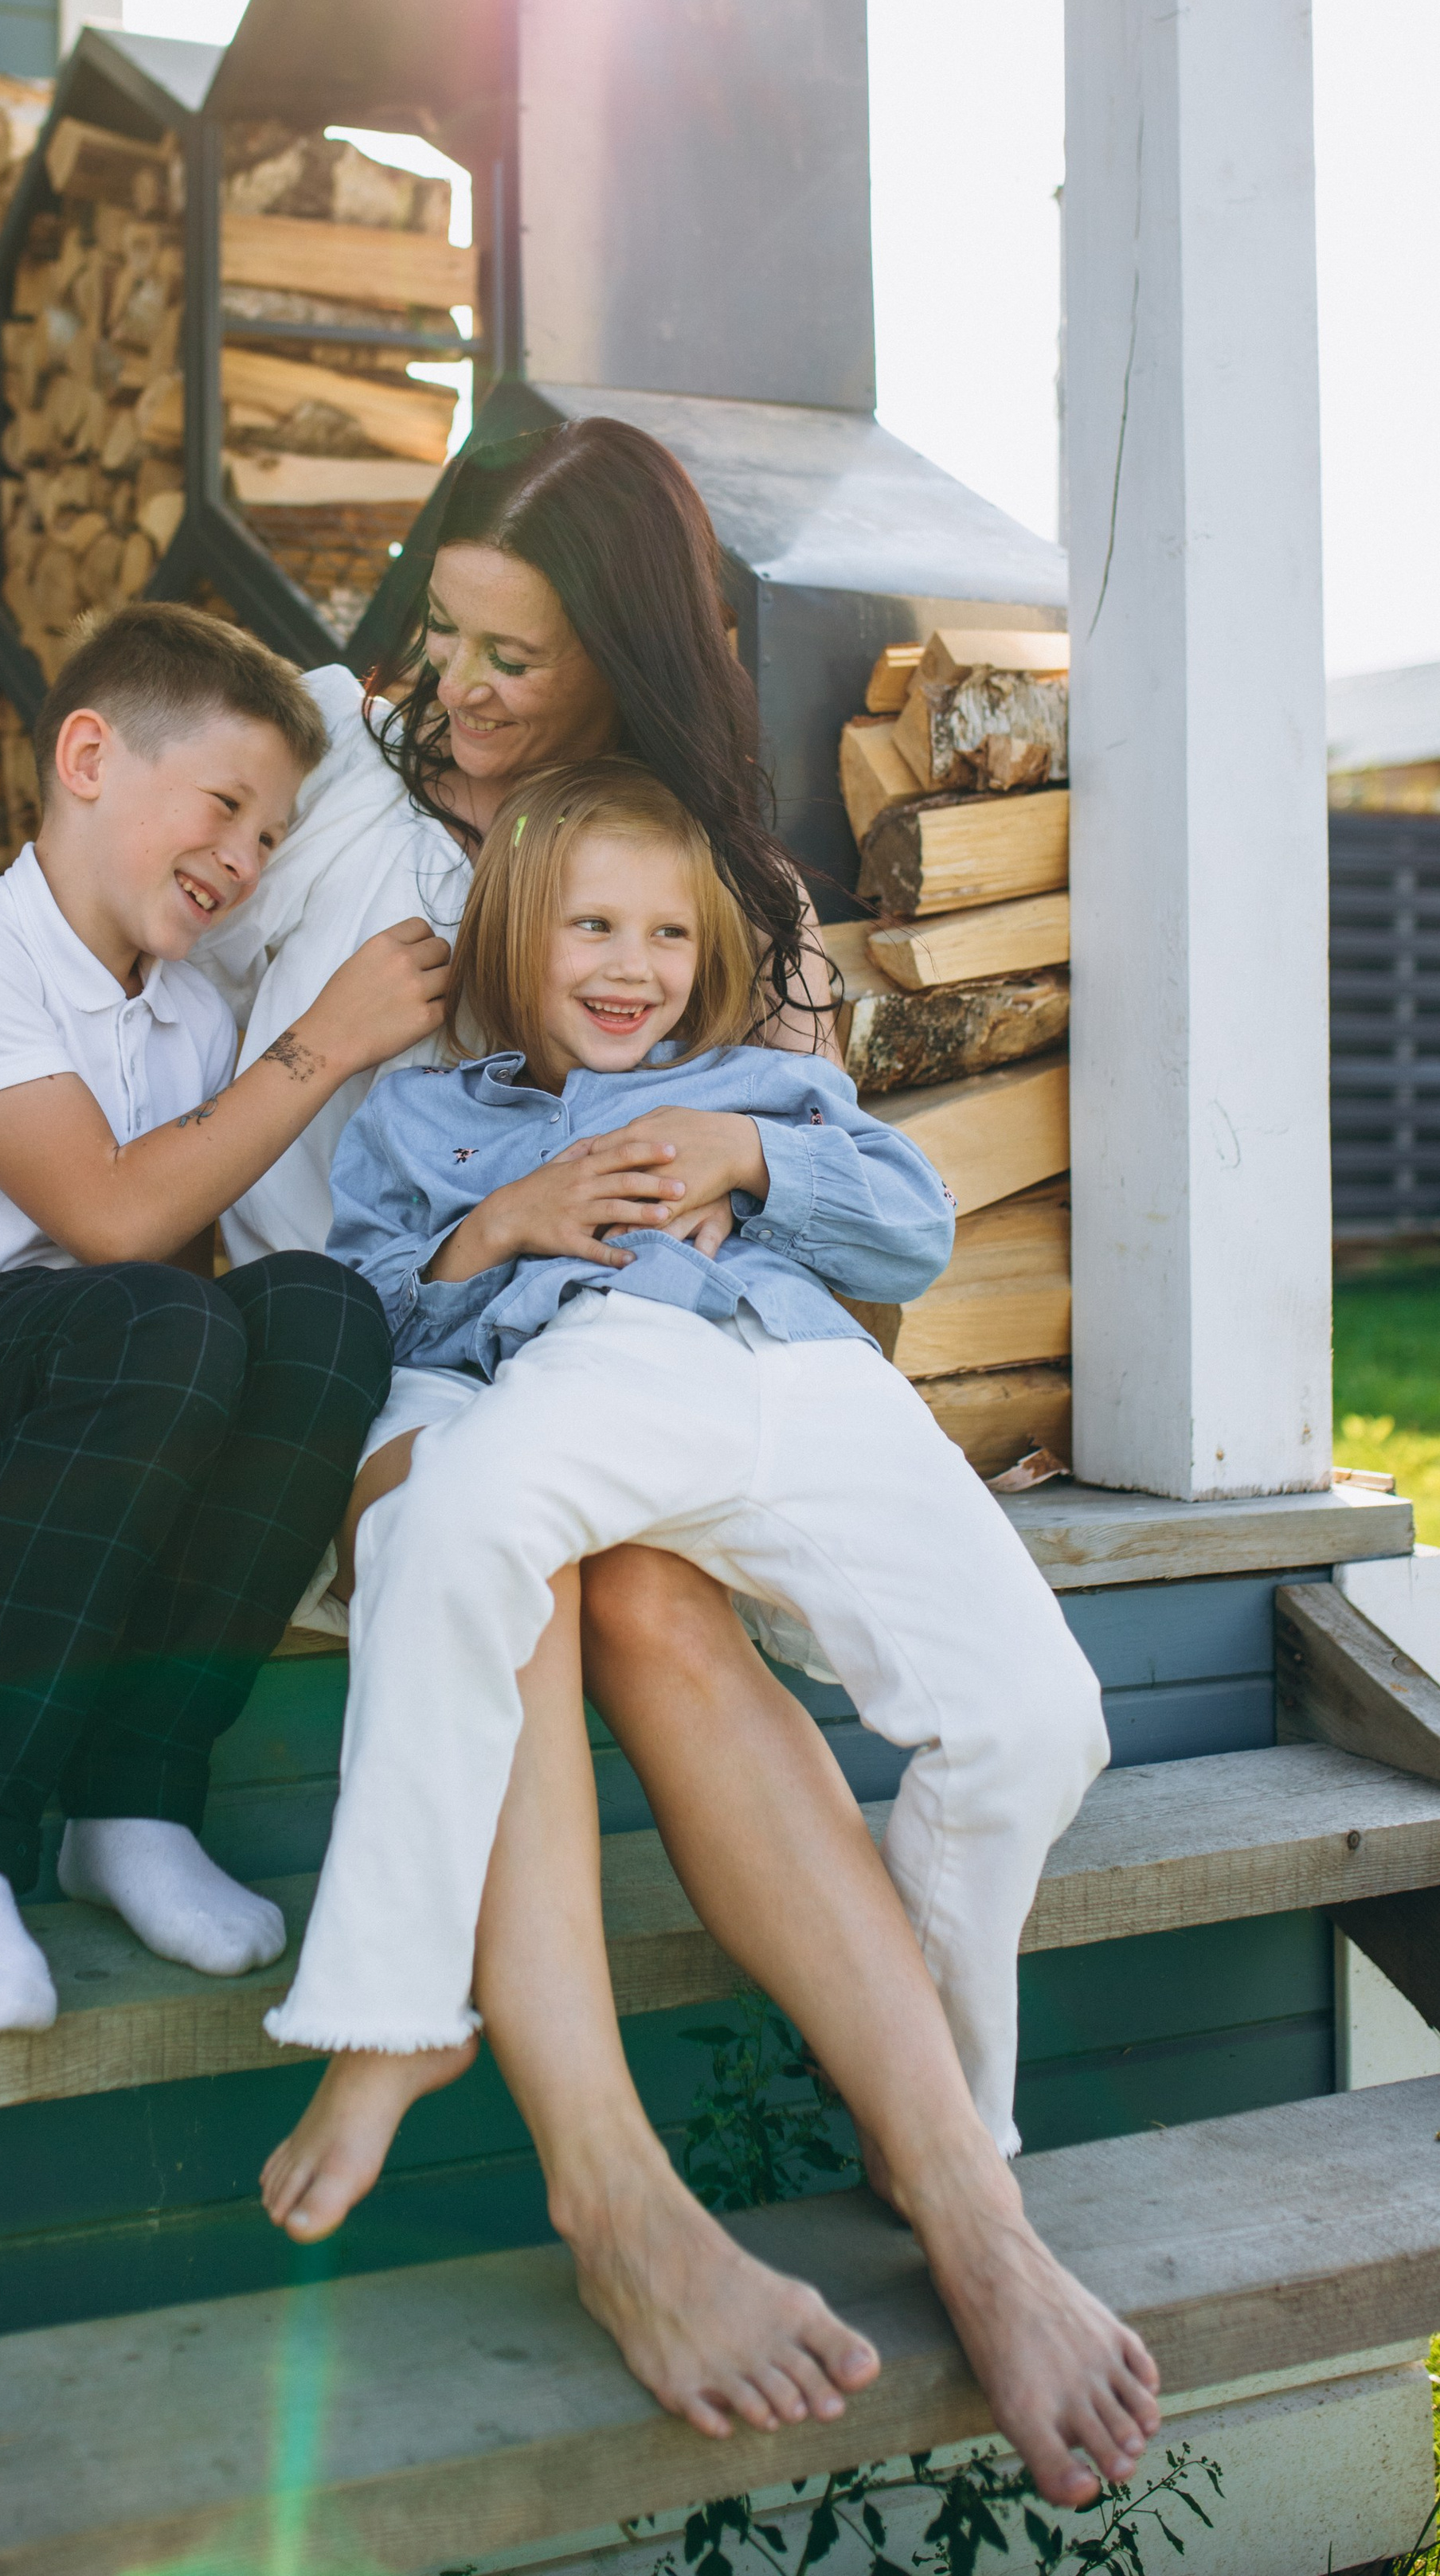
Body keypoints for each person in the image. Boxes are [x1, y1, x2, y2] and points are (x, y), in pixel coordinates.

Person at [0, 421, 1158, 2497]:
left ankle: (967, 2197)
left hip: (631, 1384)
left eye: (521, 657)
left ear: (624, 661)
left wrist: (726, 1195)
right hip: (333, 1363)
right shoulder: (327, 748)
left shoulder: (693, 882)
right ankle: (614, 2197)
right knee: (526, 1554)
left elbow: (836, 1240)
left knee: (665, 1598)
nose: (462, 690)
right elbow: (124, 875)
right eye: (449, 633)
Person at [260, 763, 1154, 2503]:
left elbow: (905, 1217)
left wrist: (752, 1149)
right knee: (456, 1522)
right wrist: (495, 1225)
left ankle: (956, 2138)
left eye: (664, 934)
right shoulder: (422, 1118)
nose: (630, 963)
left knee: (1037, 1718)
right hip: (591, 1373)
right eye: (590, 925)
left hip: (797, 1377)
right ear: (514, 938)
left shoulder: (757, 1081)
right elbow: (352, 1312)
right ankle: (388, 2004)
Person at [0, 603, 447, 2034]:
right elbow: (117, 1220)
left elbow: (171, 1254)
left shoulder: (185, 1012)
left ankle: (135, 1802)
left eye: (271, 838)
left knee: (320, 1313)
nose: (245, 862)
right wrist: (329, 1039)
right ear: (87, 757)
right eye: (225, 808)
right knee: (155, 1316)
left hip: (66, 1404)